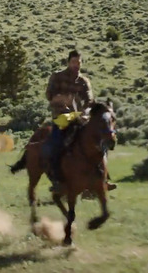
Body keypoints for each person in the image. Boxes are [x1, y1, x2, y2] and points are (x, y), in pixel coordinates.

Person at [45, 50, 93, 193]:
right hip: (61, 118)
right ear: (68, 62)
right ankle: (57, 181)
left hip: (80, 118)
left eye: (79, 62)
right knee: (55, 146)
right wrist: (61, 100)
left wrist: (86, 111)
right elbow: (49, 94)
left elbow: (90, 99)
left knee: (98, 142)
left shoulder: (84, 81)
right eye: (73, 62)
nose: (76, 65)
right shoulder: (57, 77)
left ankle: (100, 179)